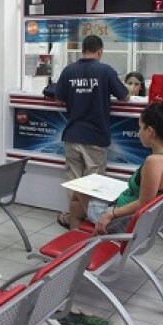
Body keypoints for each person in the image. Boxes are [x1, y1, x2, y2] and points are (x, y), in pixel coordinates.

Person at [61, 100, 163, 232]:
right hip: (133, 213)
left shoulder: (154, 162)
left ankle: (75, 237)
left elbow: (144, 203)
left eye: (140, 128)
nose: (138, 133)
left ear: (150, 131)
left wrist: (110, 214)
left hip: (122, 220)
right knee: (81, 198)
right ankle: (77, 231)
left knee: (77, 193)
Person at [54, 35, 129, 225]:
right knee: (94, 184)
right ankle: (94, 222)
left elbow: (58, 99)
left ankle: (75, 222)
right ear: (100, 51)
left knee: (74, 182)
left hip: (72, 135)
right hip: (96, 136)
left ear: (82, 50)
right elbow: (124, 97)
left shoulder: (69, 70)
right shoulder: (105, 71)